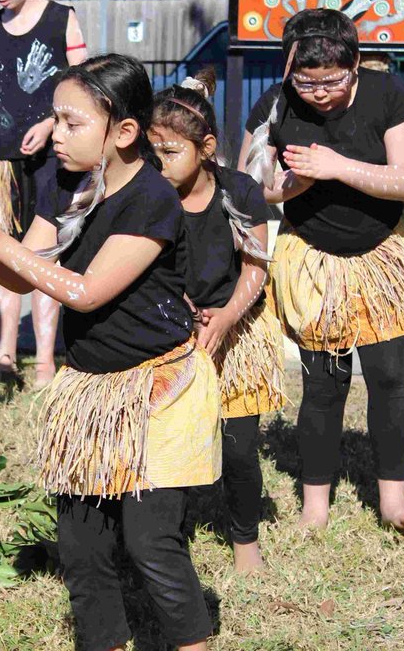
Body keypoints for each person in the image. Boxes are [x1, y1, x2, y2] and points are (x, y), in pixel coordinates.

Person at [0, 55, 219, 651]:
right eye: (55, 119)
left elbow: (87, 289)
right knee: (81, 547)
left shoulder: (152, 198)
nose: (56, 133)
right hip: (92, 391)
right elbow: (28, 276)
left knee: (152, 543)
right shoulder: (65, 182)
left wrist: (2, 247)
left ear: (123, 132)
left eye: (72, 122)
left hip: (157, 391)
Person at [245, 8, 404, 532]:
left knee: (391, 378)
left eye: (335, 80)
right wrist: (295, 185)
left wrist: (335, 167)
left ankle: (393, 502)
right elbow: (250, 186)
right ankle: (315, 509)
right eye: (308, 81)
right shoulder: (275, 104)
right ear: (289, 69)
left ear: (355, 64)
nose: (321, 92)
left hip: (381, 255)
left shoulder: (389, 96)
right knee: (324, 385)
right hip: (313, 258)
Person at [150, 71, 285, 574]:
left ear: (206, 148)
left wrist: (226, 316)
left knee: (240, 447)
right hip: (170, 331)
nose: (157, 164)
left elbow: (256, 264)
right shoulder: (151, 194)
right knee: (172, 447)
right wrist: (182, 308)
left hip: (236, 328)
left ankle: (244, 538)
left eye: (169, 152)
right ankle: (169, 534)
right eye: (152, 151)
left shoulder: (242, 191)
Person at [0, 0, 88, 385]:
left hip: (54, 158)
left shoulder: (63, 19)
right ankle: (4, 356)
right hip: (2, 161)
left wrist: (49, 122)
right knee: (4, 255)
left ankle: (44, 360)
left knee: (46, 258)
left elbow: (83, 92)